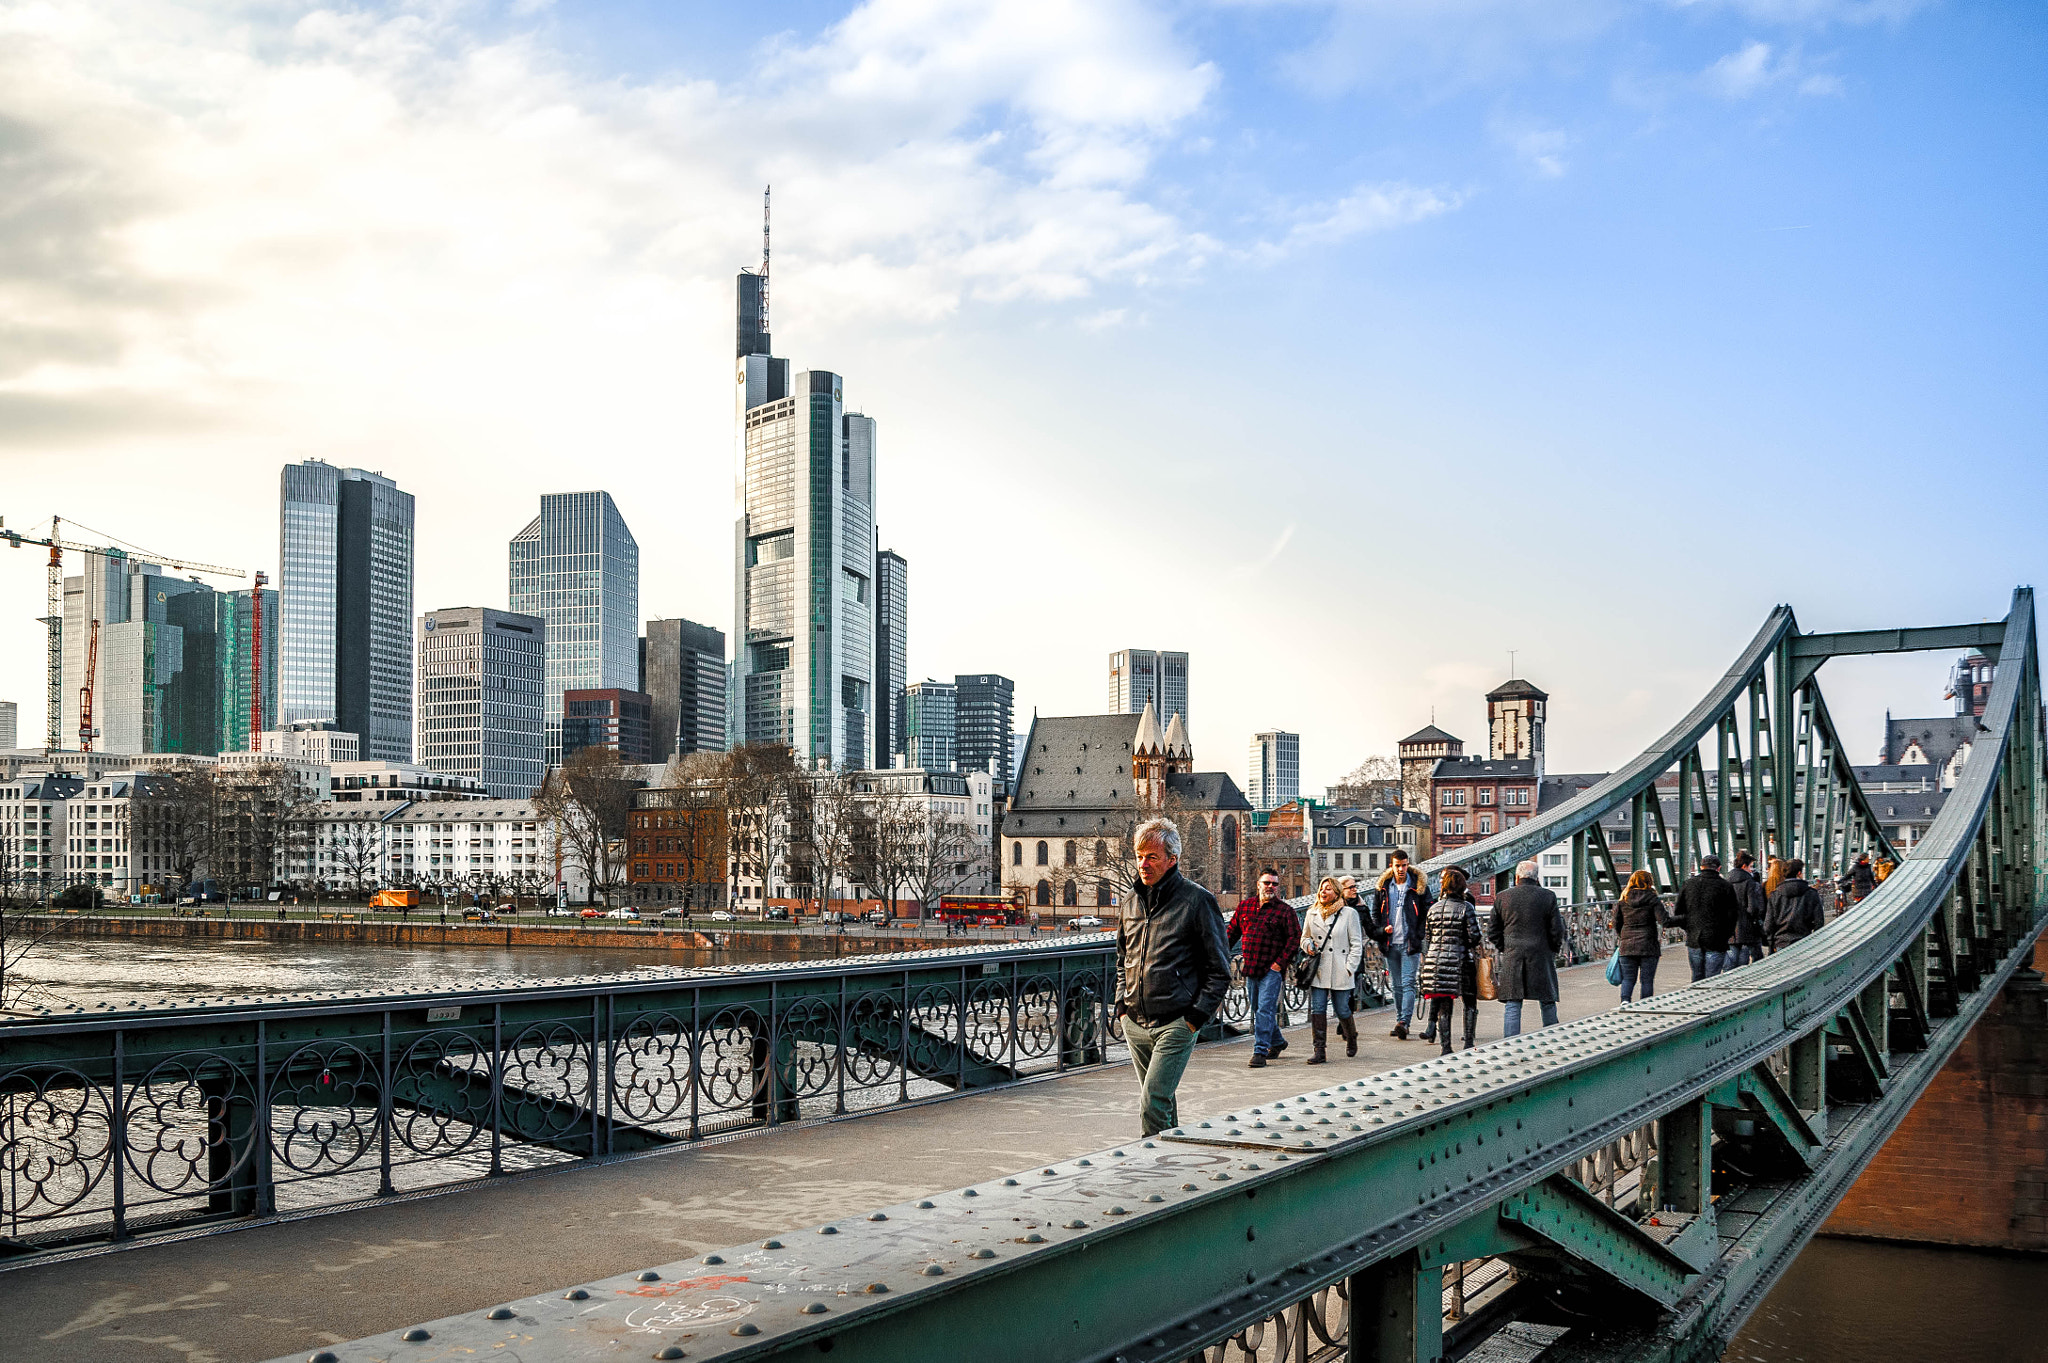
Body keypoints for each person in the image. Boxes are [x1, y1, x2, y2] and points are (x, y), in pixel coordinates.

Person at [1114, 817, 1231, 1136]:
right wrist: (1121, 1007)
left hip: (1176, 1023)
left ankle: (1150, 1175)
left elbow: (1220, 970)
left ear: (1172, 859)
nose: (1143, 863)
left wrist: (1194, 1019)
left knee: (1152, 1101)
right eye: (1139, 855)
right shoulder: (1130, 902)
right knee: (1161, 1100)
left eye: (1151, 856)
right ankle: (1176, 1161)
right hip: (1135, 1022)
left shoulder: (1197, 901)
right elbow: (1123, 957)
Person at [1490, 858, 1566, 1036]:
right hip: (1541, 953)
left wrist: (1506, 947)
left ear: (1517, 877)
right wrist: (1552, 949)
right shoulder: (1548, 896)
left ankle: (1509, 1042)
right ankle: (1551, 1038)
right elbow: (1557, 929)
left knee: (1513, 1002)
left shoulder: (1503, 897)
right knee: (1547, 1000)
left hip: (1513, 954)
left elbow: (1493, 931)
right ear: (1536, 877)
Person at [1235, 868, 1301, 1068]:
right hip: (1251, 967)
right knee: (1257, 1007)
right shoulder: (1245, 907)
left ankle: (1260, 1051)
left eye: (1274, 883)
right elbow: (1230, 934)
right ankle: (1278, 1041)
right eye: (1267, 883)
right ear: (1258, 884)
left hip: (1271, 970)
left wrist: (1279, 963)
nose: (1270, 887)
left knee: (1265, 1008)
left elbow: (1294, 939)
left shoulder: (1285, 911)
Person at [1415, 867, 1482, 1055]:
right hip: (1461, 960)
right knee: (1469, 1001)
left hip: (1436, 961)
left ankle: (1446, 1047)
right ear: (1462, 887)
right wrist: (1463, 943)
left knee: (1444, 1004)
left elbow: (1428, 937)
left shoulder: (1433, 909)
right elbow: (1475, 936)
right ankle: (1468, 1042)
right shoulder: (1466, 908)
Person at [1300, 877, 1365, 1063]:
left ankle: (1351, 1037)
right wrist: (1308, 945)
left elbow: (1356, 943)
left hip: (1340, 968)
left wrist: (1350, 967)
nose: (1323, 891)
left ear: (1336, 892)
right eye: (1322, 888)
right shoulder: (1312, 912)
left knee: (1342, 1009)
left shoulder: (1349, 914)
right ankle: (1319, 1050)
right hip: (1319, 969)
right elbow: (1304, 937)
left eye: (1328, 889)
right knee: (1318, 1008)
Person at [1371, 850, 1433, 1040]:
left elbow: (1427, 912)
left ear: (1408, 864)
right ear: (1392, 865)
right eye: (1397, 865)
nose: (1401, 869)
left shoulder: (1418, 887)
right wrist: (1382, 931)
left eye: (1404, 865)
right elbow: (1375, 913)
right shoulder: (1383, 887)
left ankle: (1404, 1022)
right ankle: (1400, 1020)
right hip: (1390, 944)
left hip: (1409, 943)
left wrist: (1418, 934)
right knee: (1396, 985)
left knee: (1408, 983)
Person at [1673, 854, 1740, 980]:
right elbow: (1732, 915)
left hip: (1694, 938)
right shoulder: (1726, 886)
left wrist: (1689, 928)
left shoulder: (1688, 884)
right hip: (1717, 939)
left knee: (1697, 977)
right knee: (1712, 978)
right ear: (1719, 868)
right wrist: (1727, 934)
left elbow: (1679, 912)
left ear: (1701, 867)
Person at [1611, 869, 1674, 1003]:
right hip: (1648, 944)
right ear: (1649, 882)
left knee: (1628, 978)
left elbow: (1616, 923)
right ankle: (1644, 1004)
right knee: (1647, 980)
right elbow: (1663, 921)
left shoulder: (1623, 900)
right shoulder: (1652, 899)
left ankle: (1625, 1002)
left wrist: (1622, 937)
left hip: (1627, 945)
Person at [1763, 857, 1825, 952]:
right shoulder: (1811, 893)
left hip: (1781, 942)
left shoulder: (1775, 895)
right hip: (1804, 941)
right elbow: (1819, 921)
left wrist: (1772, 942)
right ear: (1799, 873)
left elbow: (1768, 924)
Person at [1726, 850, 1767, 969]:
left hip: (1730, 928)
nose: (1751, 870)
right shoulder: (1750, 883)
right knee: (1751, 958)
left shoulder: (1726, 882)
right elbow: (1753, 908)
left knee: (1733, 957)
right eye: (1750, 867)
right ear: (1744, 866)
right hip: (1748, 928)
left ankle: (1730, 979)